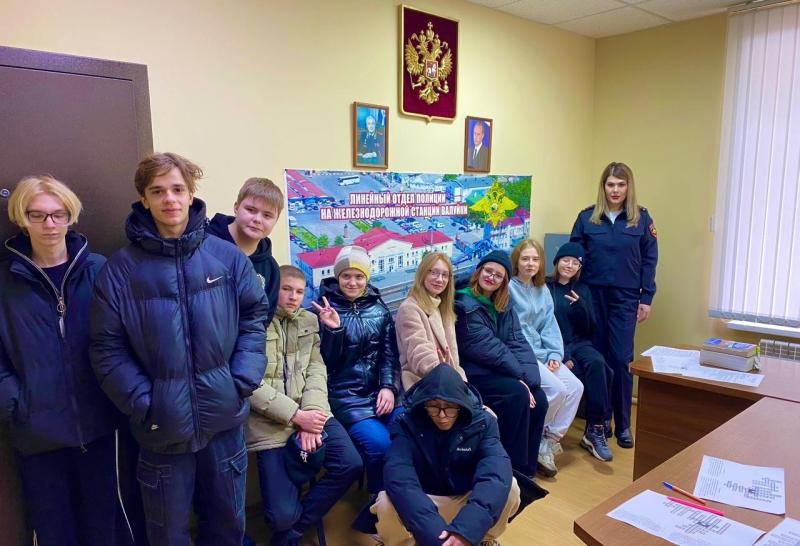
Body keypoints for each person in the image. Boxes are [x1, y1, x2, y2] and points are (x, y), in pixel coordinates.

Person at [90, 152, 269, 545]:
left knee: (227, 528)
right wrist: (145, 401)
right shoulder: (120, 270)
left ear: (191, 194)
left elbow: (255, 318)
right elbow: (106, 347)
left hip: (223, 422)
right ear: (144, 199)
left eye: (177, 189)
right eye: (158, 191)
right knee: (167, 534)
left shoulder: (226, 258)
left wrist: (240, 381)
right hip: (161, 429)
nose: (169, 199)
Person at [0, 176, 133, 546]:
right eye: (37, 215)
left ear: (71, 217)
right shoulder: (5, 282)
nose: (49, 224)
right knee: (54, 531)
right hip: (36, 431)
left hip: (100, 426)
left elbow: (124, 339)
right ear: (21, 219)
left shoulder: (99, 269)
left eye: (58, 214)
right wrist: (15, 401)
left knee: (105, 528)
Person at [247, 265, 362, 546]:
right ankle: (288, 528)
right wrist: (296, 416)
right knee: (281, 517)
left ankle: (294, 533)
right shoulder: (253, 324)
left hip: (312, 411)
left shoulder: (309, 321)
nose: (293, 297)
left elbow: (316, 370)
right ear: (272, 289)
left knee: (350, 464)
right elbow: (249, 384)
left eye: (299, 292)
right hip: (270, 423)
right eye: (286, 289)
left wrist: (311, 415)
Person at [373, 365, 520, 546]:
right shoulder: (405, 423)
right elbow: (400, 478)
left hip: (464, 497)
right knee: (385, 501)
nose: (442, 415)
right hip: (424, 497)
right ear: (424, 404)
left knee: (511, 488)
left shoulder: (484, 422)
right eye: (434, 407)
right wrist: (434, 536)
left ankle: (482, 539)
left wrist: (466, 532)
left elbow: (495, 474)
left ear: (461, 404)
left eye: (450, 407)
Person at [570, 161, 658, 449]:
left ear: (628, 187)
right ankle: (600, 421)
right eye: (610, 184)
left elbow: (649, 260)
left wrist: (646, 298)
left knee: (620, 359)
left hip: (625, 297)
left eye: (621, 184)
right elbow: (573, 258)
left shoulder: (641, 219)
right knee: (598, 360)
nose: (615, 190)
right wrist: (573, 294)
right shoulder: (587, 218)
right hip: (593, 297)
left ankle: (623, 424)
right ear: (603, 187)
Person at [316, 246, 401, 510]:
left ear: (367, 278)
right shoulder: (324, 310)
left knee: (410, 429)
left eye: (359, 276)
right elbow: (326, 365)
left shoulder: (379, 308)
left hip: (379, 393)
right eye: (346, 276)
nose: (352, 282)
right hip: (345, 397)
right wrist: (333, 331)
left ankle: (404, 496)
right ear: (337, 277)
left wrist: (388, 387)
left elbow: (389, 355)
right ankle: (377, 504)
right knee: (380, 445)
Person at [454, 250, 548, 478]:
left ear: (504, 282)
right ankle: (510, 468)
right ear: (479, 271)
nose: (491, 277)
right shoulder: (464, 303)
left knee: (540, 399)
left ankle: (527, 470)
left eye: (498, 275)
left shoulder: (502, 303)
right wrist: (519, 378)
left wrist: (530, 380)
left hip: (497, 370)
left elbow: (517, 340)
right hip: (474, 373)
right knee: (517, 394)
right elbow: (489, 348)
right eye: (488, 271)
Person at [509, 239, 583, 477]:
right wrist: (538, 357)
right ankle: (536, 436)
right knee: (558, 390)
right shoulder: (508, 288)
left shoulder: (542, 290)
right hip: (523, 354)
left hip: (544, 352)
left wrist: (554, 354)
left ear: (541, 263)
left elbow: (550, 326)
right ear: (517, 261)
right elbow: (513, 332)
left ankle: (549, 441)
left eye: (535, 259)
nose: (530, 264)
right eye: (525, 259)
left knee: (576, 387)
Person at [546, 243, 614, 462]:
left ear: (579, 268)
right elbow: (544, 325)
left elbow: (590, 328)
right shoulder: (545, 287)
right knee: (580, 370)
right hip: (556, 345)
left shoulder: (582, 289)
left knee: (598, 363)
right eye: (566, 260)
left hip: (580, 343)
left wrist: (581, 306)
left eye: (575, 263)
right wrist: (563, 355)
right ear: (557, 262)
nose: (570, 265)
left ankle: (594, 429)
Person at [207, 177, 282, 325]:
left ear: (276, 220)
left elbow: (262, 320)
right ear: (236, 207)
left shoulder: (271, 269)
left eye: (267, 215)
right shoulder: (202, 245)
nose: (258, 219)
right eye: (251, 210)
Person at [395, 252, 466, 390]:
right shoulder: (409, 308)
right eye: (434, 273)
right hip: (425, 383)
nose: (440, 279)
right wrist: (443, 371)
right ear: (423, 274)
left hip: (448, 379)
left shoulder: (442, 307)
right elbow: (418, 350)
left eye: (445, 275)